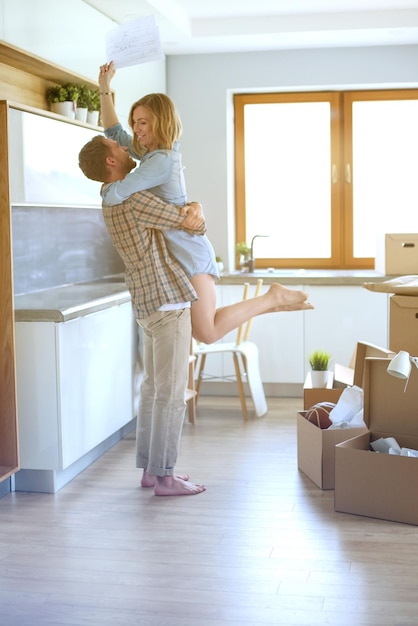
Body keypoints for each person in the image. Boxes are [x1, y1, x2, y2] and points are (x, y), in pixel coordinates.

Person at [96, 62, 313, 345]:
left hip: (189, 252)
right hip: (179, 254)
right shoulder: (150, 153)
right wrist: (104, 87)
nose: (135, 130)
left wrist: (103, 190)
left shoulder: (161, 161)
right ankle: (273, 301)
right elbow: (113, 131)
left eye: (142, 122)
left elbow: (120, 192)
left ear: (160, 122)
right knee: (203, 331)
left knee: (206, 333)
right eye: (135, 122)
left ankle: (272, 298)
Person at [80, 136, 208, 497]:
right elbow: (192, 224)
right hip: (167, 302)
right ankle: (166, 478)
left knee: (153, 389)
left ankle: (150, 472)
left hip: (146, 304)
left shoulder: (109, 199)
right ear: (110, 162)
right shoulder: (135, 199)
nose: (127, 148)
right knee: (170, 394)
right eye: (118, 148)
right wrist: (197, 206)